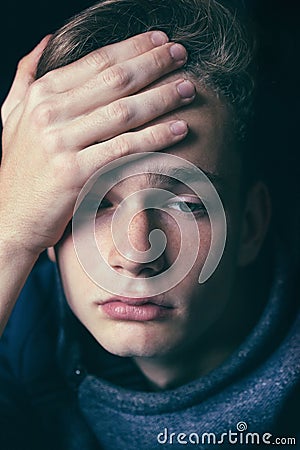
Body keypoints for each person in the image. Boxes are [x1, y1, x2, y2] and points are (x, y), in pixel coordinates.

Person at [0, 0, 299, 449]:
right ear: (44, 223)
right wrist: (8, 235)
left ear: (251, 225)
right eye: (94, 203)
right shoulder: (19, 333)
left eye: (185, 204)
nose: (136, 254)